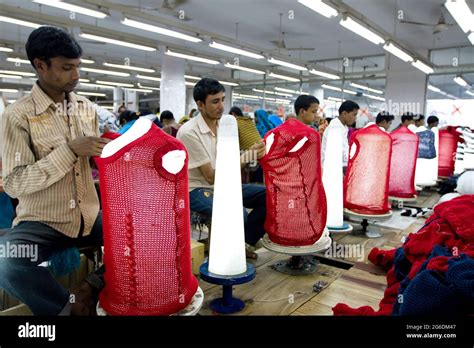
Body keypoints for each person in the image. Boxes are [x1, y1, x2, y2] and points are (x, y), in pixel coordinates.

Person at [0, 26, 110, 315]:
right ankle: (66, 308)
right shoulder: (17, 116)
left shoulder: (86, 108)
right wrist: (69, 151)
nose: (76, 75)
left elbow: (95, 161)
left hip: (89, 216)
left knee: (146, 233)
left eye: (77, 67)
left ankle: (91, 286)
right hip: (43, 223)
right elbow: (13, 183)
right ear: (40, 65)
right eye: (66, 68)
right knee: (6, 261)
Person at [177, 78, 267, 258]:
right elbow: (211, 177)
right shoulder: (189, 132)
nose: (221, 106)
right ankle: (225, 255)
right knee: (236, 212)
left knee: (269, 195)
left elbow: (228, 164)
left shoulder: (224, 125)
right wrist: (247, 156)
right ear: (200, 104)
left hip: (223, 184)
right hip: (196, 189)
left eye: (223, 100)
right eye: (215, 101)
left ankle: (245, 242)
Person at [321, 100, 359, 172]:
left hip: (338, 169)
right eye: (354, 114)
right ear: (344, 113)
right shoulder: (335, 129)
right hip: (332, 172)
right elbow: (337, 157)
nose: (355, 118)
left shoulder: (343, 127)